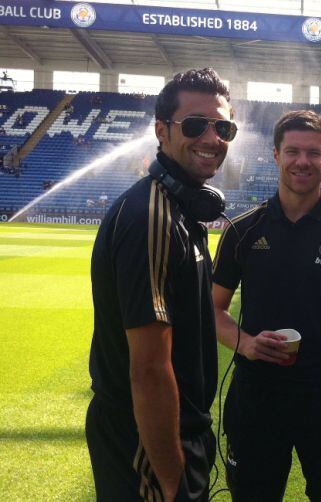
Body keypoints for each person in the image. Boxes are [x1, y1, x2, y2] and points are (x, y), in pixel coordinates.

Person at [212, 110, 321, 501]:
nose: (302, 161)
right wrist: (247, 344)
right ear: (276, 155)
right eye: (293, 151)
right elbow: (213, 310)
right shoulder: (243, 230)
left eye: (313, 152)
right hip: (256, 397)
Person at [86, 68, 236, 500]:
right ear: (161, 130)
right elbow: (149, 370)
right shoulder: (152, 218)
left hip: (173, 432)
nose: (211, 138)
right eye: (194, 125)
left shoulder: (181, 209)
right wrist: (171, 481)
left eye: (222, 127)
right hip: (149, 442)